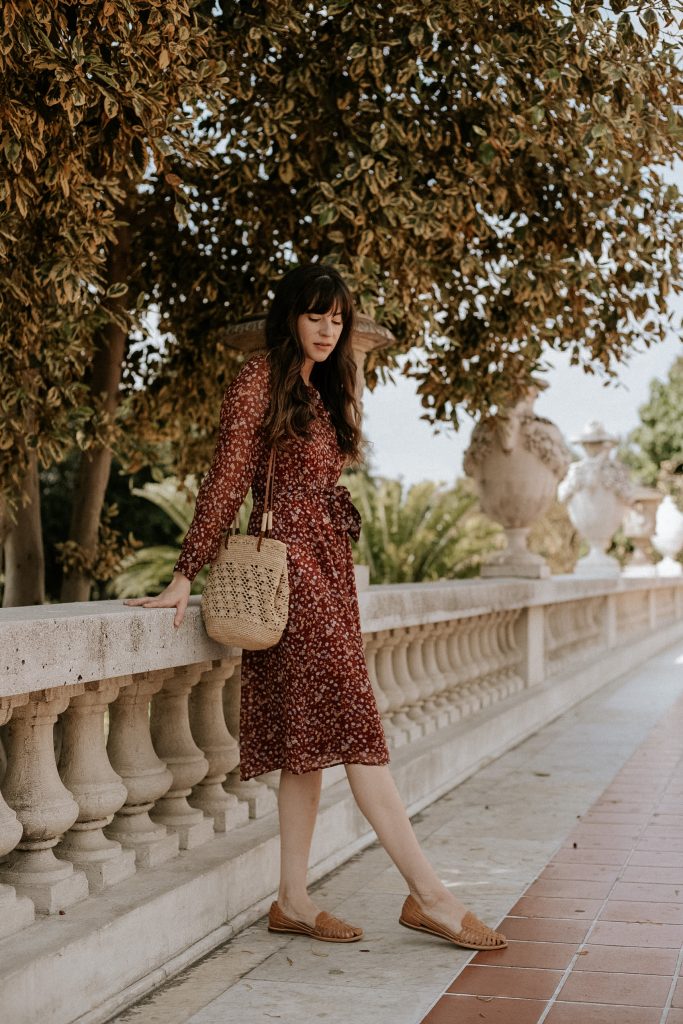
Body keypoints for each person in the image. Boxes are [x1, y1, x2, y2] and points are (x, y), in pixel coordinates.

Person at [125, 264, 506, 951]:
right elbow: (227, 477)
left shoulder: (323, 390)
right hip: (289, 572)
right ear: (290, 318)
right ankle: (433, 898)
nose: (328, 330)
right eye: (315, 316)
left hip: (327, 570)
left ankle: (292, 900)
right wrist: (185, 572)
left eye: (337, 319)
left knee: (307, 744)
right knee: (359, 733)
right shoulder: (257, 381)